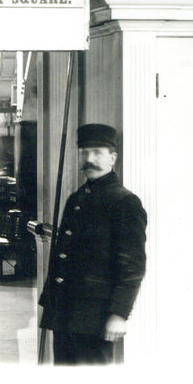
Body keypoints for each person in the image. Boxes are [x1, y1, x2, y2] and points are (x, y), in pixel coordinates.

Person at [38, 124, 147, 365]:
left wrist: (119, 314)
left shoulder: (126, 202)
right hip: (65, 312)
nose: (90, 159)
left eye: (97, 152)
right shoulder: (77, 198)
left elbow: (133, 267)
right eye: (84, 152)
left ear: (113, 158)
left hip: (95, 317)